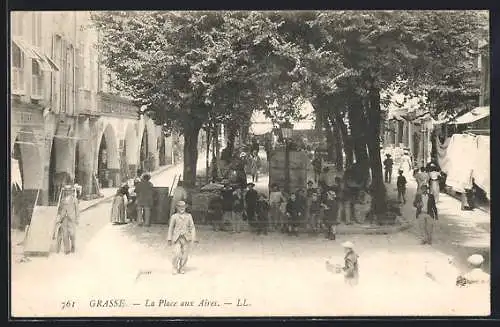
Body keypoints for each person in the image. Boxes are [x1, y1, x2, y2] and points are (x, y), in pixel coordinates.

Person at [167, 201, 198, 275]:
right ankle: (174, 267)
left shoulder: (189, 216)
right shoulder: (174, 216)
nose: (182, 208)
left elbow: (192, 227)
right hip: (177, 238)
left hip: (186, 238)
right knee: (176, 253)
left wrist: (193, 237)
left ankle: (182, 267)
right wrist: (169, 238)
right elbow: (171, 228)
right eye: (180, 207)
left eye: (183, 207)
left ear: (185, 208)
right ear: (177, 208)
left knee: (185, 254)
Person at [56, 186, 79, 254]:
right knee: (65, 234)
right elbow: (59, 209)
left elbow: (77, 210)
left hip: (71, 218)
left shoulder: (74, 200)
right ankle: (67, 249)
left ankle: (73, 245)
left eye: (69, 190)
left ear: (71, 191)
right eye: (66, 190)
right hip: (64, 218)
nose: (67, 192)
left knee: (72, 234)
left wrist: (77, 219)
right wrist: (59, 217)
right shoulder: (62, 200)